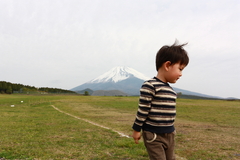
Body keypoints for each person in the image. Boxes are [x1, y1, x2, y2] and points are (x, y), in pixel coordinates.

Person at [132, 41, 189, 160]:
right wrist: (136, 129)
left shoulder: (171, 90)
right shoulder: (150, 85)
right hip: (153, 135)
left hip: (170, 134)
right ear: (167, 65)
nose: (181, 74)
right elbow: (143, 110)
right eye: (180, 69)